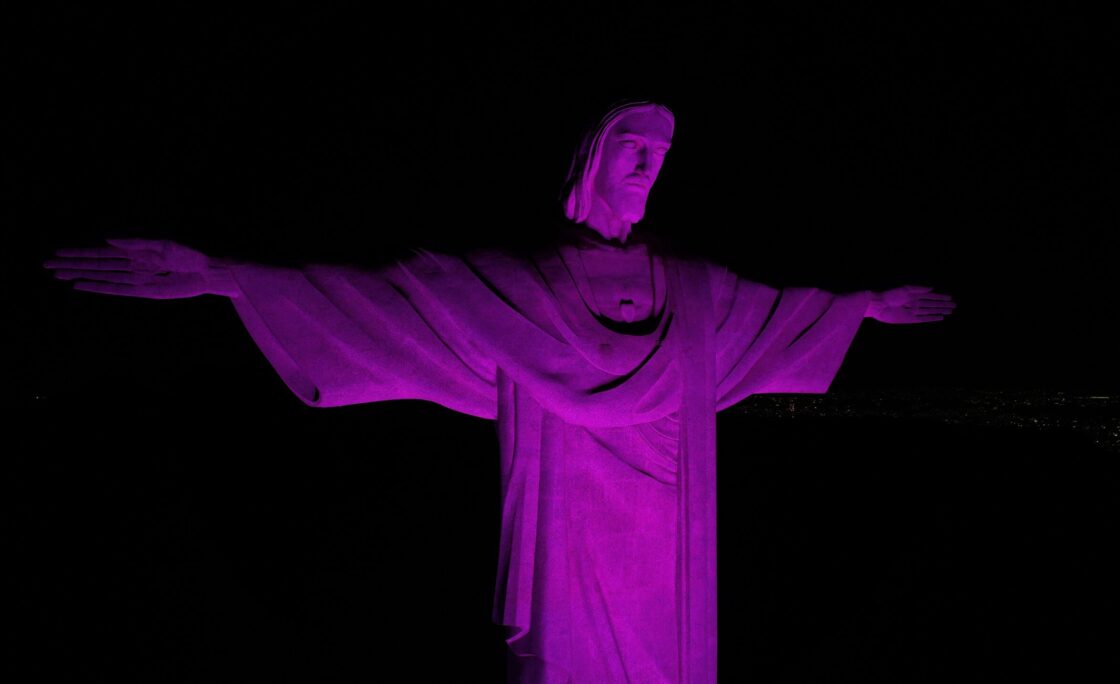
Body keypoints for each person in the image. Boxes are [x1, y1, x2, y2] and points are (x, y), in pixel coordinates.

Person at [44, 98, 955, 683]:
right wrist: (224, 275)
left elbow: (779, 316)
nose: (648, 167)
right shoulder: (517, 286)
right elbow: (384, 302)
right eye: (632, 149)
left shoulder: (697, 288)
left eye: (661, 157)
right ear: (592, 160)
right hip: (572, 535)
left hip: (668, 542)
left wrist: (863, 308)